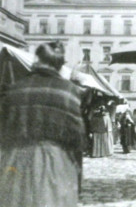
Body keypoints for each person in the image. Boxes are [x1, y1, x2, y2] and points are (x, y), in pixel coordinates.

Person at [0, 41, 85, 206]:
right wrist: (77, 176)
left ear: (36, 60)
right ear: (59, 64)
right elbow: (76, 137)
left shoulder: (15, 89)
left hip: (14, 161)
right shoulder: (67, 91)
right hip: (54, 163)